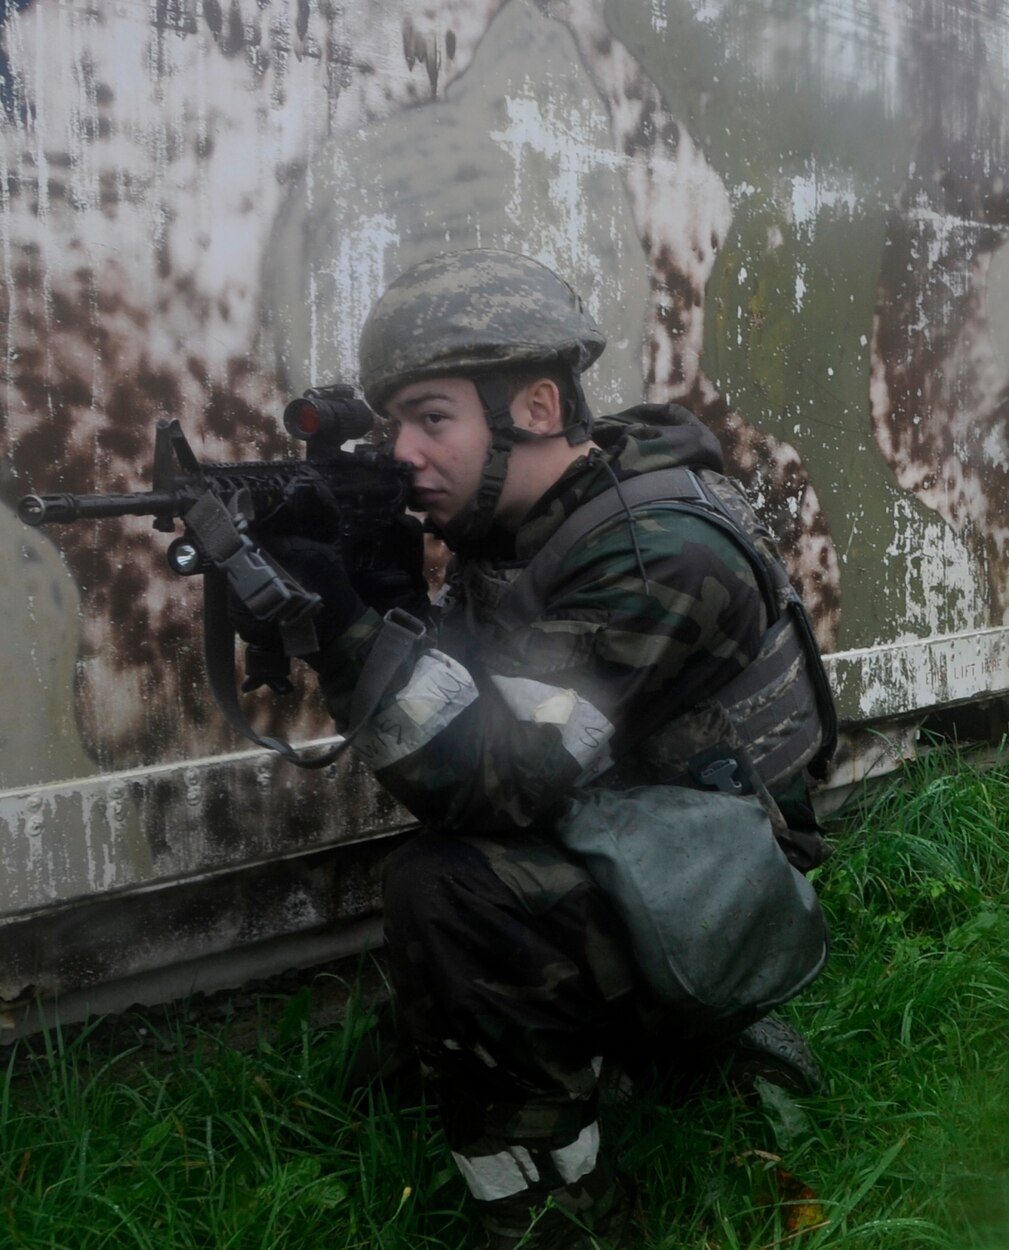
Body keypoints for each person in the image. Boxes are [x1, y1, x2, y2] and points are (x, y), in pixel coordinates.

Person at [240, 249, 830, 1248]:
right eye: (394, 427)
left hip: (728, 893)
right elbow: (482, 702)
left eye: (432, 418)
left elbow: (488, 779)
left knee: (452, 889)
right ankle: (541, 1041)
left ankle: (551, 1209)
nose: (403, 455)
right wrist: (376, 591)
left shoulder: (659, 553)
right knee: (454, 924)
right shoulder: (519, 526)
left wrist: (346, 627)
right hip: (643, 827)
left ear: (540, 407)